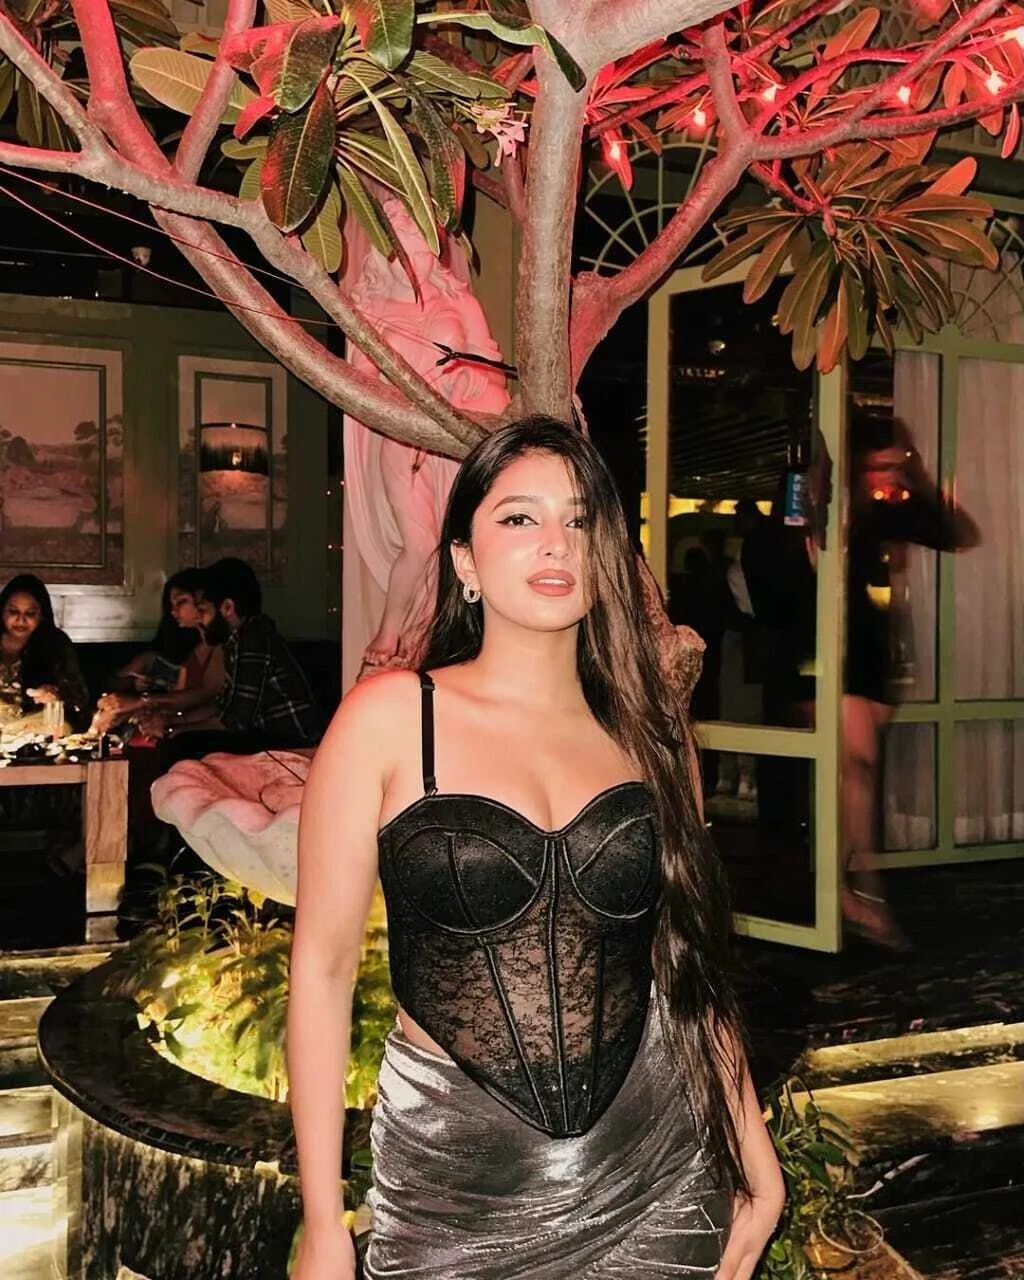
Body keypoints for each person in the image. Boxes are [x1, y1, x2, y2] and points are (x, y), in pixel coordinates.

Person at [288, 418, 783, 1280]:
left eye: (580, 519)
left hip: (657, 1169)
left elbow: (686, 966)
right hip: (455, 1182)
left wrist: (753, 1157)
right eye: (519, 517)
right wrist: (324, 1219)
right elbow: (322, 970)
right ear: (466, 561)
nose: (556, 542)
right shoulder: (390, 718)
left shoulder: (652, 736)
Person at [841, 409, 979, 947]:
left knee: (854, 776)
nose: (886, 477)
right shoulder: (835, 510)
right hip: (831, 655)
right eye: (878, 466)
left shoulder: (890, 512)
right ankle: (864, 895)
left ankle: (841, 891)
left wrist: (916, 481)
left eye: (894, 465)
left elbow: (959, 533)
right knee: (856, 771)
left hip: (875, 655)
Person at [141, 557, 324, 755]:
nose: (200, 619)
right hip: (271, 739)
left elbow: (236, 720)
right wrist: (172, 722)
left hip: (294, 744)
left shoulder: (254, 637)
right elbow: (221, 706)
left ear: (227, 608)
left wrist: (175, 728)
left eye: (203, 610)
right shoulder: (236, 641)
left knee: (187, 746)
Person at [92, 568, 225, 735]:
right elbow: (180, 699)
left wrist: (141, 702)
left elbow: (206, 694)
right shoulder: (195, 649)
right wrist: (133, 712)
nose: (173, 611)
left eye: (181, 602)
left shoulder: (221, 647)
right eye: (172, 604)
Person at [0, 573, 89, 732]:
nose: (21, 620)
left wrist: (55, 694)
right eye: (13, 611)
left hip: (32, 728)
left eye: (30, 613)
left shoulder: (55, 643)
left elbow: (79, 697)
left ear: (42, 615)